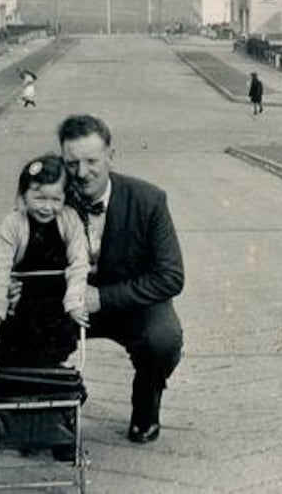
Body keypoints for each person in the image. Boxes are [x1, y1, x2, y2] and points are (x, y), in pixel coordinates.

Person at [51, 114, 184, 445]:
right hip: (68, 304)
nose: (82, 173)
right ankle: (49, 407)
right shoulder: (48, 198)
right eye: (72, 163)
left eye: (92, 161)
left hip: (129, 306)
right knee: (1, 322)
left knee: (163, 339)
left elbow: (170, 277)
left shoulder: (149, 199)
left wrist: (105, 298)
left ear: (111, 154)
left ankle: (146, 403)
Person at [0, 153, 90, 369]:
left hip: (56, 297)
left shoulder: (69, 220)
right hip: (22, 297)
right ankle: (15, 375)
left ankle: (49, 376)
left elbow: (78, 263)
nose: (47, 207)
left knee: (55, 334)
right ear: (23, 195)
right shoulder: (13, 224)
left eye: (56, 199)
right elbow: (0, 270)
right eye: (39, 198)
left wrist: (74, 302)